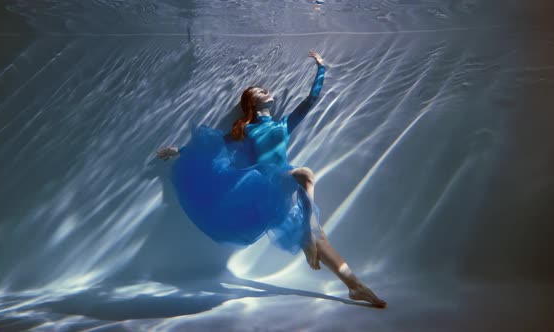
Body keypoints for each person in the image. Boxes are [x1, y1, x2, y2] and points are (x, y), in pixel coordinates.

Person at [157, 50, 386, 308]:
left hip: (283, 182)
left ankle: (354, 286)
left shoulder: (284, 125)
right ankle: (309, 239)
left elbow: (311, 100)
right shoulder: (246, 129)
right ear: (251, 103)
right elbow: (214, 146)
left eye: (265, 89)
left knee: (320, 236)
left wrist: (321, 68)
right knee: (306, 174)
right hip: (265, 180)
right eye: (259, 91)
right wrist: (180, 150)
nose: (266, 91)